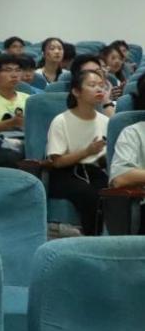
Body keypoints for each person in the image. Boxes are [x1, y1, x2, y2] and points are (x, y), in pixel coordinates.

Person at [46, 69, 110, 236]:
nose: (99, 89)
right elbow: (57, 161)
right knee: (89, 195)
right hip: (65, 173)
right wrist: (87, 151)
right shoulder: (61, 121)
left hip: (94, 170)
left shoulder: (105, 121)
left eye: (101, 85)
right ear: (76, 91)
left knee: (111, 193)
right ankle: (91, 239)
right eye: (92, 85)